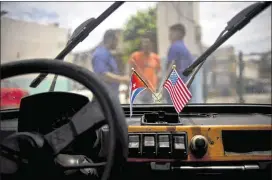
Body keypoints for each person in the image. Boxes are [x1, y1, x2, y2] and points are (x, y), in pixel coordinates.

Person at [92, 29, 130, 100]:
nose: (118, 43)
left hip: (110, 97)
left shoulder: (108, 54)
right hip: (104, 99)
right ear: (110, 39)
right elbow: (103, 75)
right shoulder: (100, 54)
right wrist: (124, 79)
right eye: (116, 40)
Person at [165, 23, 194, 103]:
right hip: (186, 86)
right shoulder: (186, 50)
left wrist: (165, 85)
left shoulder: (174, 47)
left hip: (175, 87)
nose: (169, 35)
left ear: (180, 33)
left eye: (172, 32)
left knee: (173, 113)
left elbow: (171, 67)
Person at [128, 33, 161, 103]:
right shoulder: (135, 56)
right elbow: (130, 73)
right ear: (142, 44)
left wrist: (157, 87)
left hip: (151, 90)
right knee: (138, 110)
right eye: (144, 42)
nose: (146, 44)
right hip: (138, 90)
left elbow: (158, 73)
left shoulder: (156, 58)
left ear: (151, 44)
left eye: (147, 42)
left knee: (150, 110)